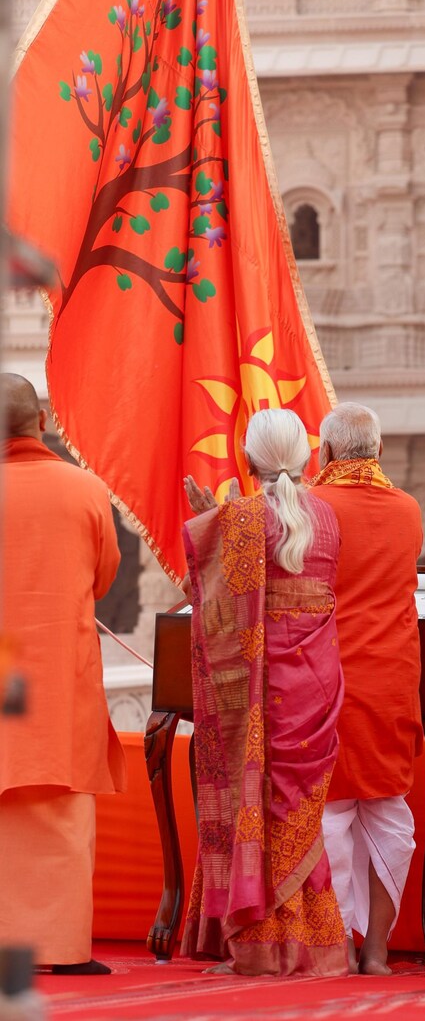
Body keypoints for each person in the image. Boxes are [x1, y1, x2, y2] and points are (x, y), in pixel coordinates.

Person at [180, 409, 348, 978]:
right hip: (316, 685)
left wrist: (212, 524)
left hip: (260, 687)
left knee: (258, 802)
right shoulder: (326, 515)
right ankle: (306, 944)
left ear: (248, 461)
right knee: (295, 811)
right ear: (308, 459)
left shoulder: (243, 519)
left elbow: (207, 596)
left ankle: (258, 945)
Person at [0, 373, 125, 975]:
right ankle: (65, 949)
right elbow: (101, 578)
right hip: (59, 674)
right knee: (62, 808)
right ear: (42, 420)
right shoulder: (85, 488)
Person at [308, 403, 423, 976]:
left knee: (328, 814)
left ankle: (335, 945)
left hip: (325, 681)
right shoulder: (408, 510)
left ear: (326, 453)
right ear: (377, 453)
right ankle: (376, 949)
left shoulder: (313, 507)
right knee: (388, 813)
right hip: (393, 680)